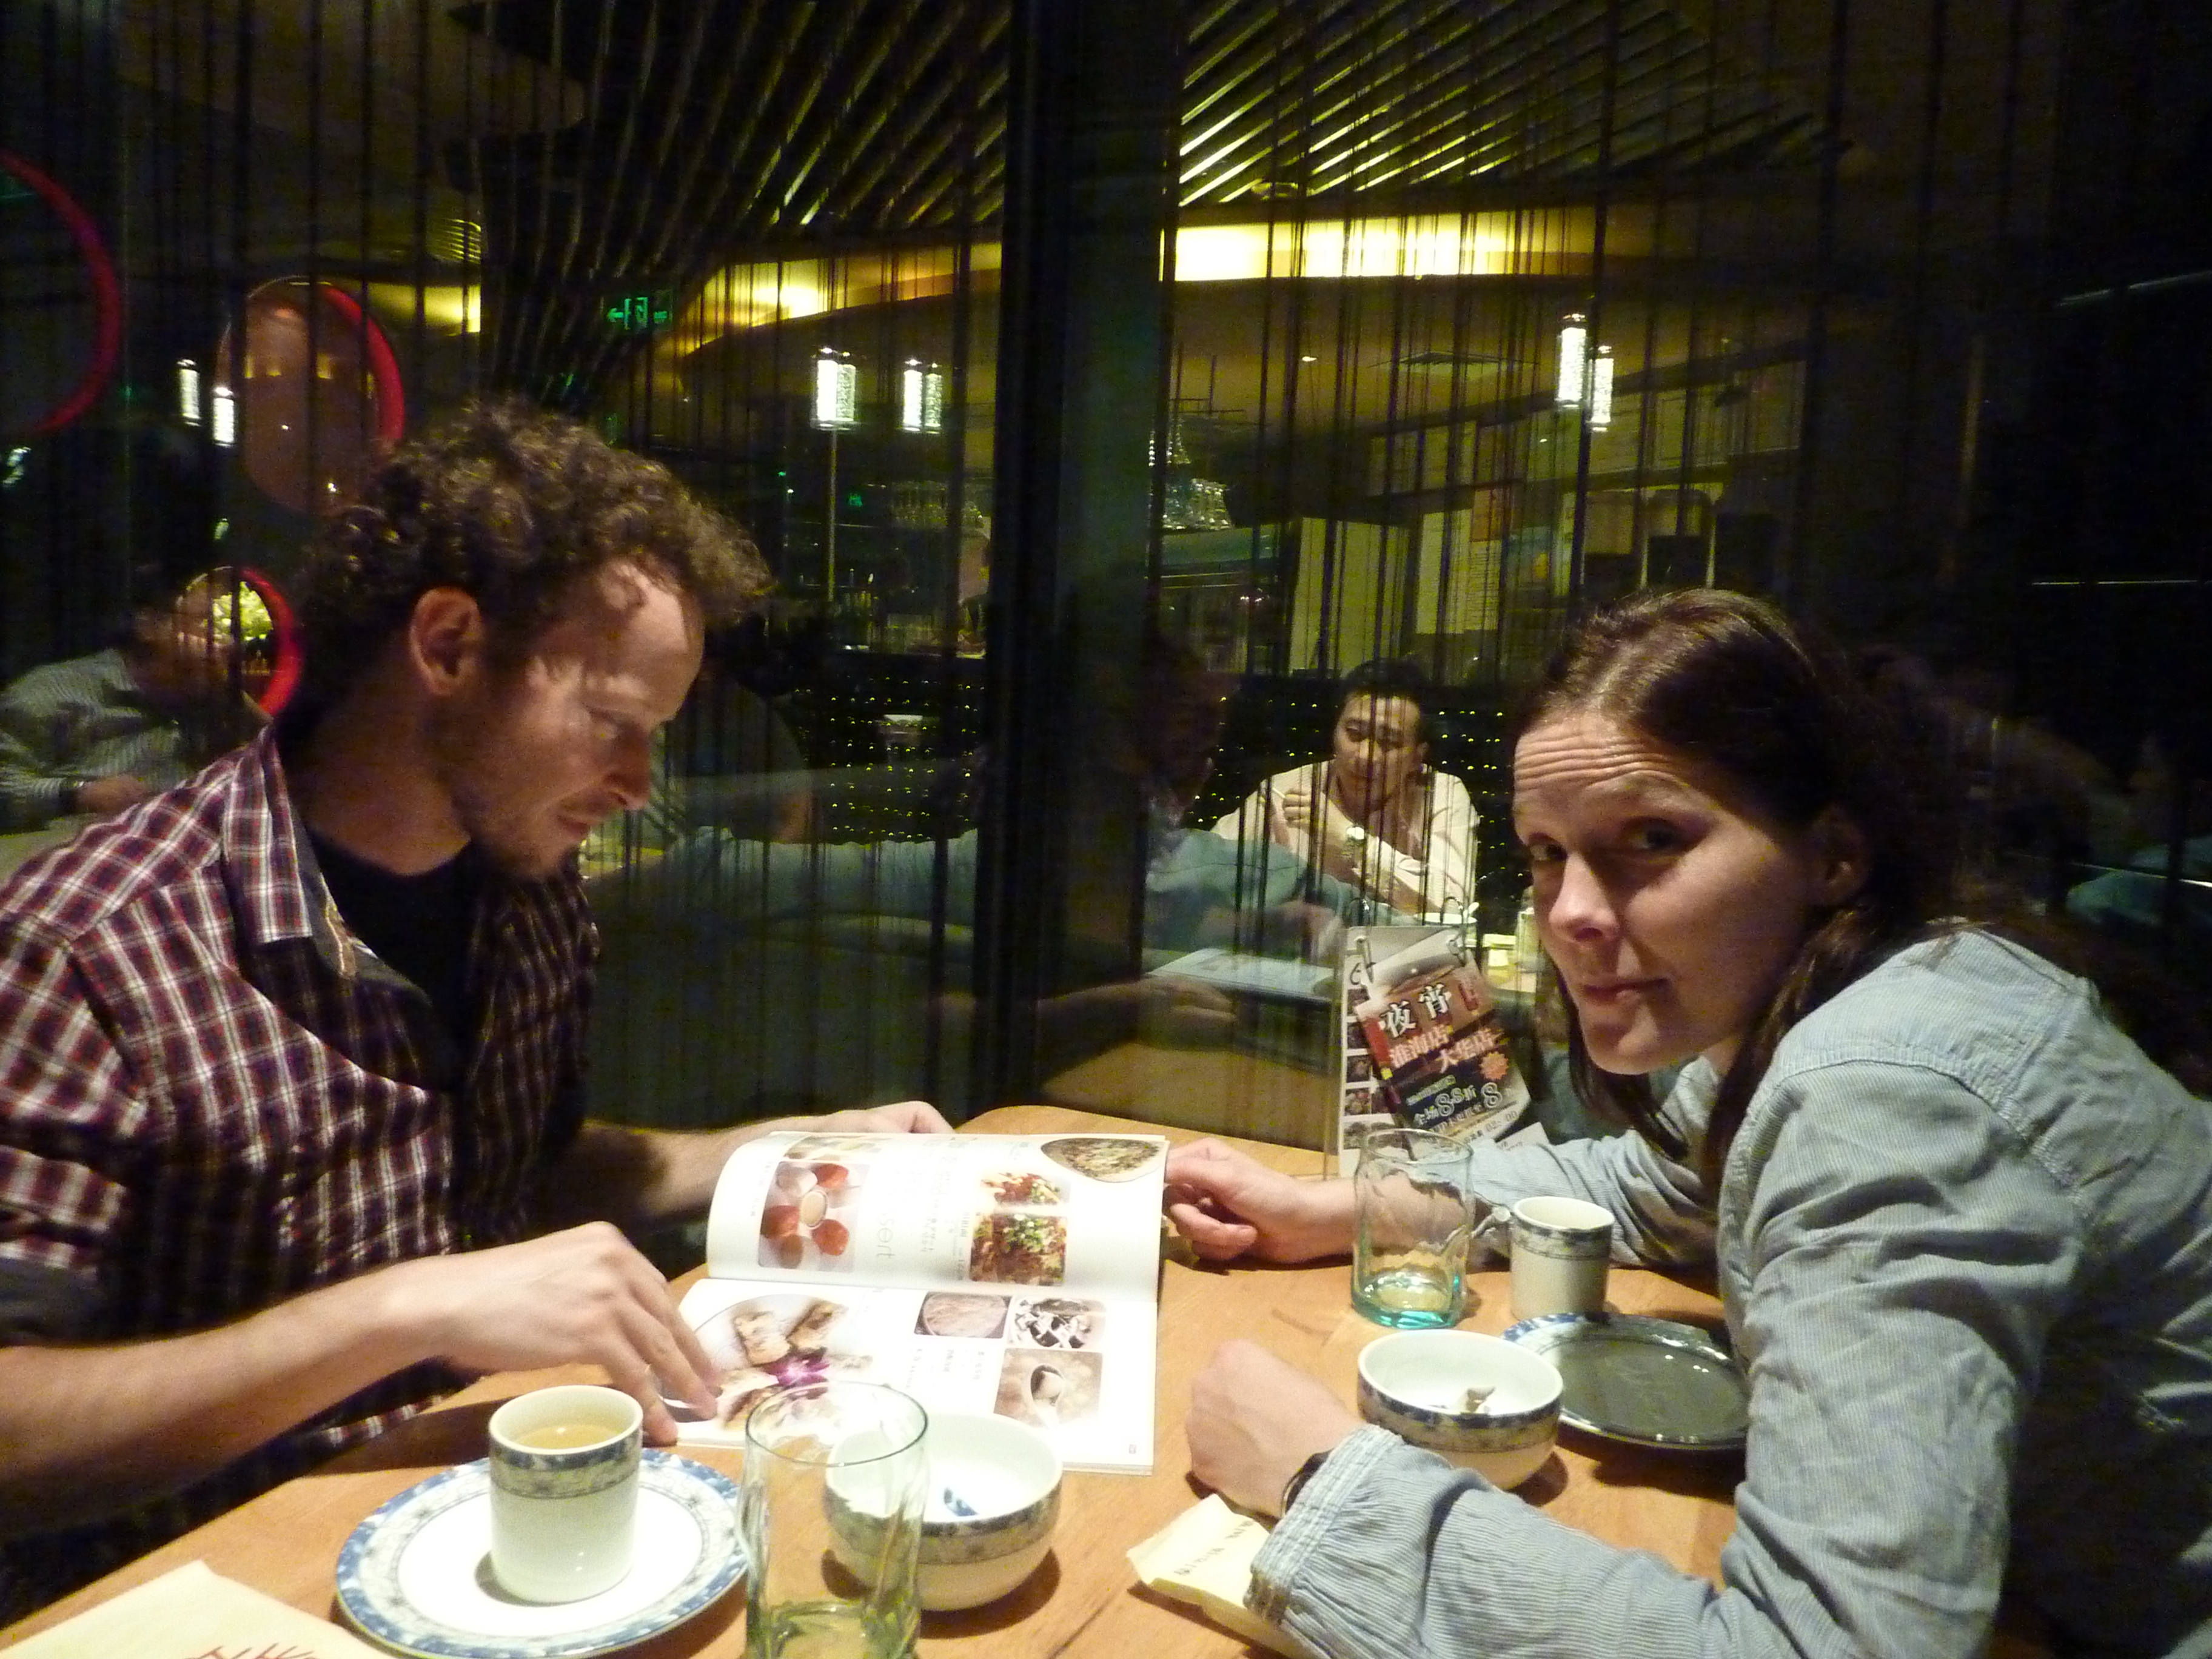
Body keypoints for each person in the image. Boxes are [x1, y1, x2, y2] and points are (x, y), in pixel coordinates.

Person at [0, 399, 949, 1618]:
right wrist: (405, 1307)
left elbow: (507, 1174)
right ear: (447, 646)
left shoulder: (528, 890)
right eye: (611, 725)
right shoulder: (91, 940)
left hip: (506, 1524)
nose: (638, 784)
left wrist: (771, 1156)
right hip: (224, 1588)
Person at [1166, 588, 2212, 1658]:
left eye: (1652, 838)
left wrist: (1319, 1482)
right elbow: (1653, 1187)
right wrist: (1339, 1210)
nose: (1570, 911)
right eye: (1545, 852)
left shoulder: (1885, 1093)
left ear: (1833, 854)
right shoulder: (1870, 991)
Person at [0, 566, 283, 830]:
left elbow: (286, 767)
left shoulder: (212, 701)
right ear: (149, 626)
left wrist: (230, 690)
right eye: (210, 623)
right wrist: (80, 795)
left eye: (230, 629)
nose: (228, 643)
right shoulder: (54, 693)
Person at [1214, 659, 1476, 919]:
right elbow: (1209, 870)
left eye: (1388, 742)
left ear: (1418, 757)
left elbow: (1454, 907)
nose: (1365, 755)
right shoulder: (1284, 791)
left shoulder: (1441, 794)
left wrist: (1347, 838)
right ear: (1335, 732)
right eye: (1354, 734)